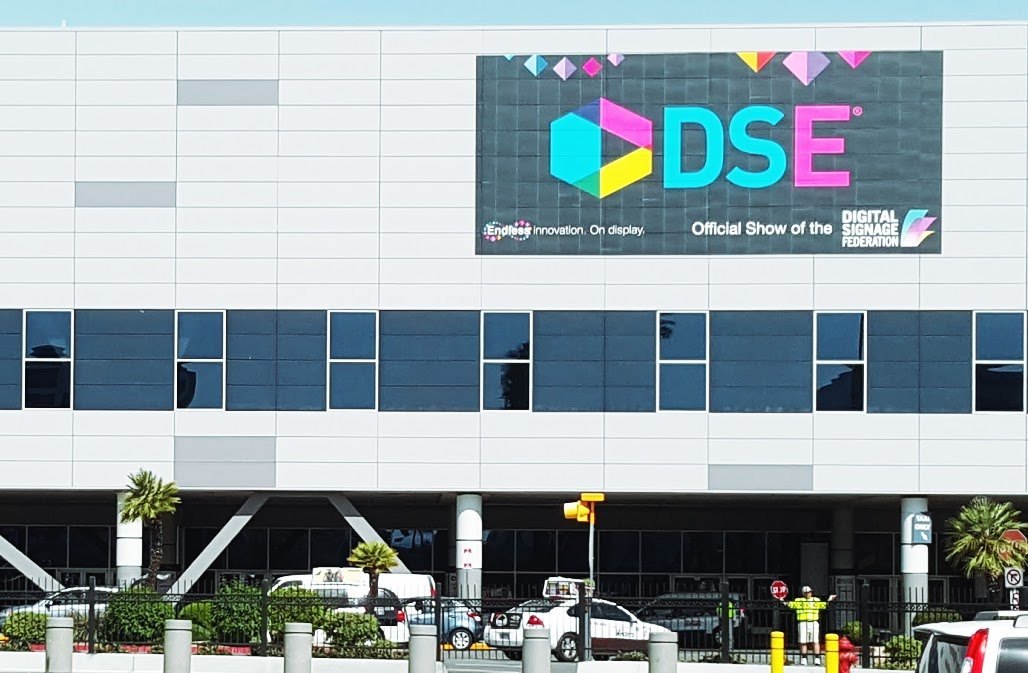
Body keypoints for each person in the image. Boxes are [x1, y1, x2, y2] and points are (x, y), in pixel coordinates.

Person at [779, 585, 836, 665]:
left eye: (809, 592)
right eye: (806, 592)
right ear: (803, 593)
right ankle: (804, 658)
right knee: (803, 641)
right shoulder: (799, 601)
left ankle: (817, 658)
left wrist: (830, 600)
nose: (808, 594)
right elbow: (790, 605)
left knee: (815, 641)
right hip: (803, 622)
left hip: (813, 622)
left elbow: (824, 605)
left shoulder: (816, 600)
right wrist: (782, 600)